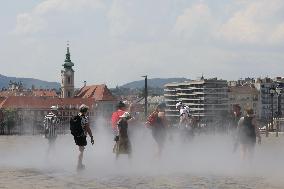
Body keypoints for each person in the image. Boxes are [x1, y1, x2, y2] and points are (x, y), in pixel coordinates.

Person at [71, 104, 94, 171]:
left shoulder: (76, 116)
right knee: (81, 150)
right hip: (82, 136)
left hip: (76, 135)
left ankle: (80, 164)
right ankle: (79, 165)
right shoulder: (84, 118)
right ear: (85, 111)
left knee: (81, 149)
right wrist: (91, 136)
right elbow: (88, 128)